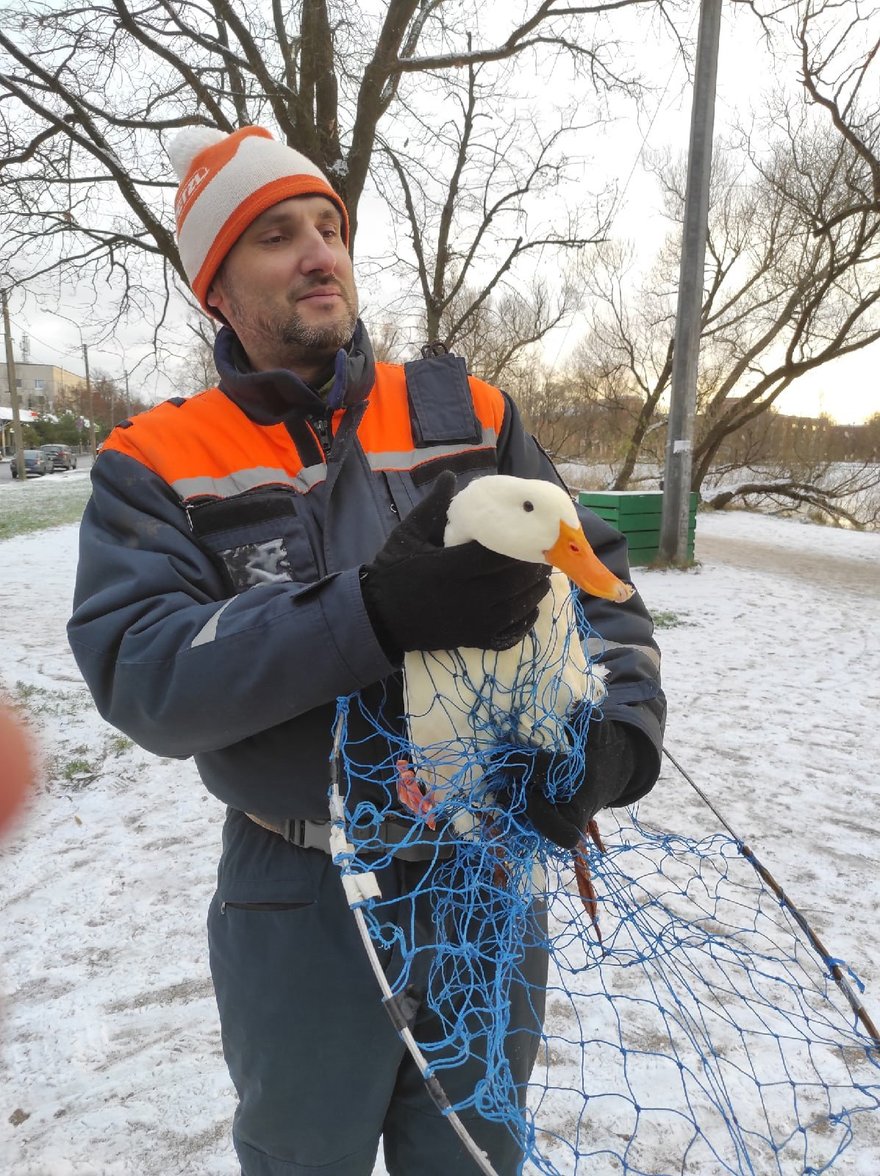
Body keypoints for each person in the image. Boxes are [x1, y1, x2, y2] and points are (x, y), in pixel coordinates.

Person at [68, 126, 666, 1176]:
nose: (317, 253)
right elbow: (143, 673)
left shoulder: (469, 413)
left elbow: (600, 590)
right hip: (299, 891)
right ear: (214, 288)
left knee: (474, 1157)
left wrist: (617, 739)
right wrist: (372, 615)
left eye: (329, 227)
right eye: (273, 236)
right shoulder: (156, 458)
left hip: (485, 874)